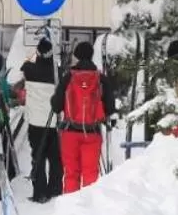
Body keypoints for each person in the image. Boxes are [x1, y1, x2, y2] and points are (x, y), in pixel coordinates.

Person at [52, 40, 117, 194]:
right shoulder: (101, 79)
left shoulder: (68, 77)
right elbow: (110, 107)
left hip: (70, 132)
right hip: (92, 133)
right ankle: (88, 212)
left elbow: (56, 106)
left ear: (77, 56)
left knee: (71, 174)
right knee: (90, 175)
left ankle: (70, 210)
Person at [18, 39, 62, 203]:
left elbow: (23, 65)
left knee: (38, 156)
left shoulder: (29, 69)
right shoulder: (57, 71)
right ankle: (55, 189)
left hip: (35, 121)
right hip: (52, 122)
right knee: (55, 157)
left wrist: (32, 55)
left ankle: (40, 192)